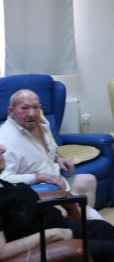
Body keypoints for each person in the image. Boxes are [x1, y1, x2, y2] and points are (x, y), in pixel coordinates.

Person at [0, 145, 114, 262]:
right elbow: (2, 252)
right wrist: (51, 235)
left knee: (102, 228)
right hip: (43, 240)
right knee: (111, 251)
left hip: (52, 223)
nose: (3, 149)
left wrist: (53, 207)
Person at [0, 89, 103, 220]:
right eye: (24, 108)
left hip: (57, 178)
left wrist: (59, 158)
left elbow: (51, 148)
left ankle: (83, 225)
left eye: (36, 108)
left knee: (88, 180)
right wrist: (41, 177)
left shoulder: (42, 123)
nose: (32, 114)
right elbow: (4, 178)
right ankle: (90, 226)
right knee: (85, 213)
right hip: (37, 190)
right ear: (11, 111)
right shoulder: (5, 140)